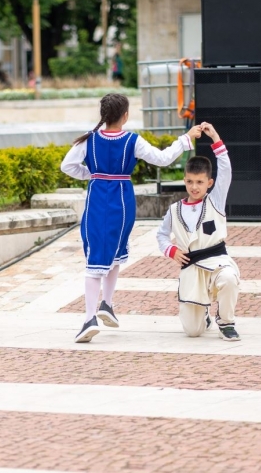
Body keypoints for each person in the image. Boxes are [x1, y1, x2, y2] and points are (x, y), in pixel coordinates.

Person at [61, 93, 203, 343]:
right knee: (114, 252)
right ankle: (106, 304)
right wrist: (186, 139)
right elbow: (163, 158)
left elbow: (67, 166)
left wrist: (94, 174)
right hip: (123, 201)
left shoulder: (88, 140)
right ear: (125, 116)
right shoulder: (132, 141)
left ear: (104, 115)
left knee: (95, 257)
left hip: (98, 199)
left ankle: (89, 318)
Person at [156, 123, 240, 341]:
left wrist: (215, 138)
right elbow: (161, 236)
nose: (195, 187)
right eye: (190, 181)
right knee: (193, 332)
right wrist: (171, 250)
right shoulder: (174, 210)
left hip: (217, 262)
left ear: (209, 183)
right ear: (184, 180)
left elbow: (226, 170)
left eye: (200, 182)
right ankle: (204, 315)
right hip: (191, 267)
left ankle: (226, 321)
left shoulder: (216, 201)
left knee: (229, 278)